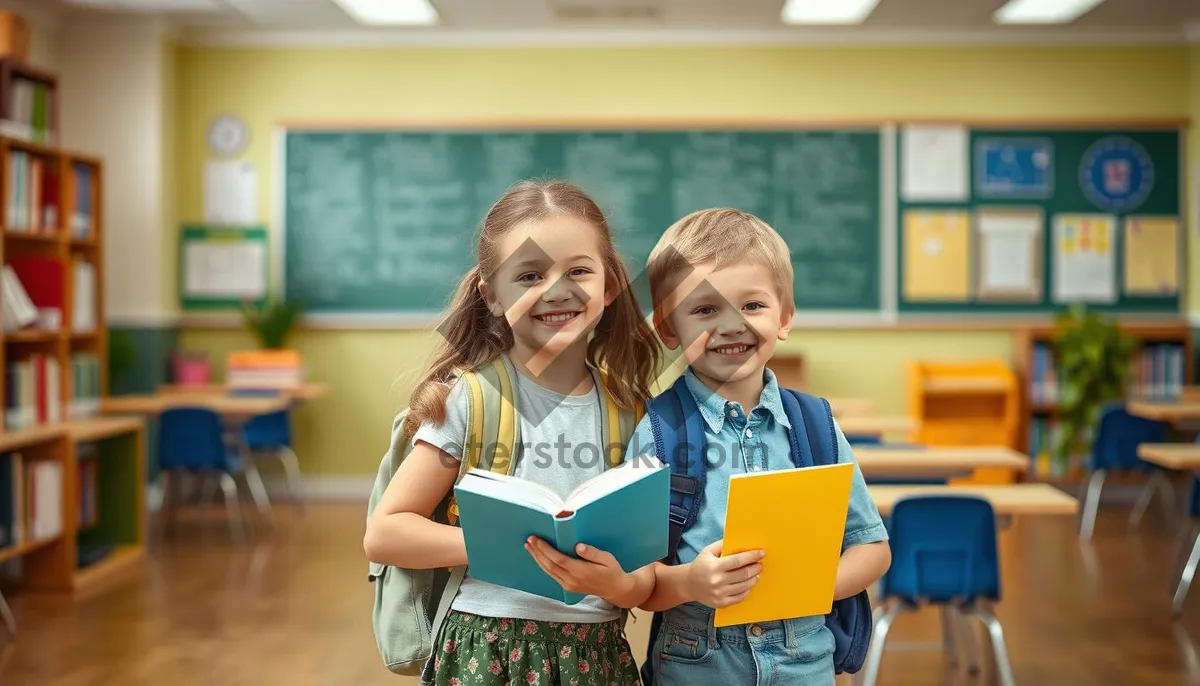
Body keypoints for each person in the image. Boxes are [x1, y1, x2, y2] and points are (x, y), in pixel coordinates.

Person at [363, 180, 662, 686]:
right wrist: (496, 543)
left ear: (609, 287)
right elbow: (385, 533)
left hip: (598, 653)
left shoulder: (633, 412)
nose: (556, 289)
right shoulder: (468, 398)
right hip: (484, 648)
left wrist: (624, 584)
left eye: (579, 271)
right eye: (529, 274)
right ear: (491, 295)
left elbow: (648, 570)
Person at [636, 208, 891, 685]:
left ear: (785, 317)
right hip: (697, 660)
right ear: (669, 328)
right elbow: (635, 582)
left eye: (751, 306)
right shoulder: (657, 431)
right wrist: (690, 582)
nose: (732, 325)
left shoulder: (815, 424)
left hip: (805, 658)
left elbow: (872, 547)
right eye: (705, 309)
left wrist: (810, 588)